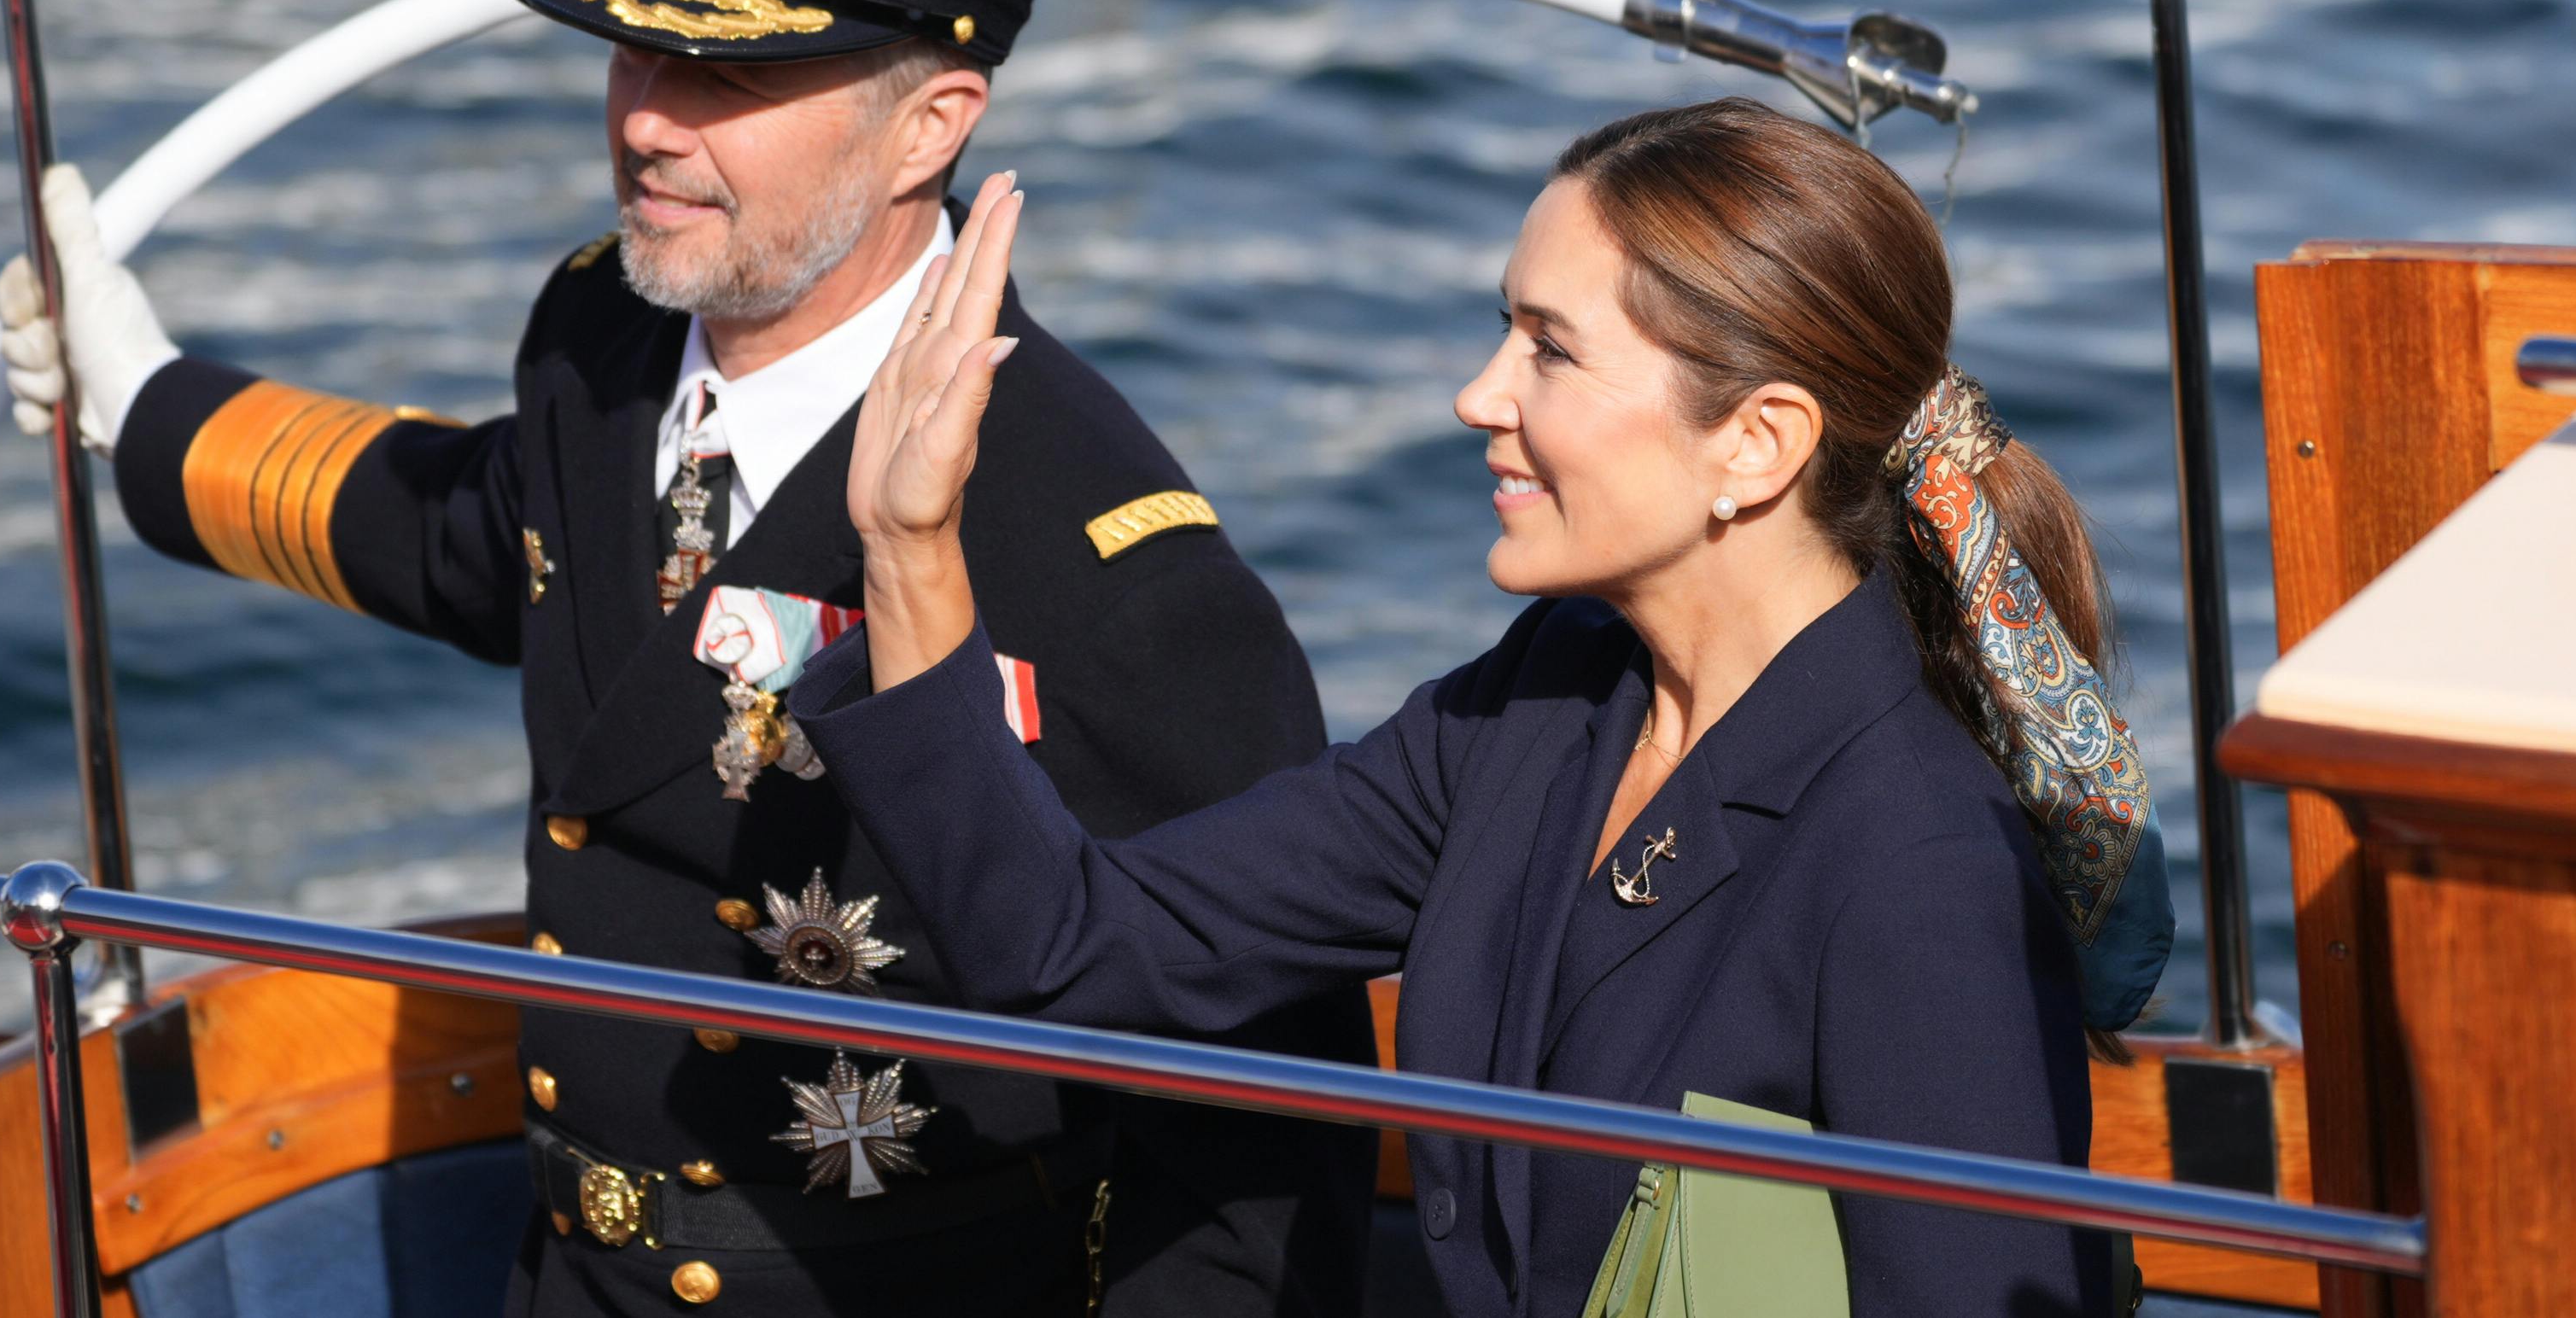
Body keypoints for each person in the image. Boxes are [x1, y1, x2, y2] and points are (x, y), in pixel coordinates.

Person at [0, 0, 1376, 1318]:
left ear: (929, 125)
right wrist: (142, 404)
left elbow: (1265, 1108)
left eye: (727, 71)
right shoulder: (606, 339)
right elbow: (476, 532)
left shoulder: (1094, 547)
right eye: (631, 47)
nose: (648, 119)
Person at [791, 99, 2177, 1317]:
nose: (1476, 397)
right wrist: (910, 550)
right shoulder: (1542, 704)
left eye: (1548, 352)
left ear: (1756, 444)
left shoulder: (1920, 859)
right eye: (1498, 333)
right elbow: (1077, 952)